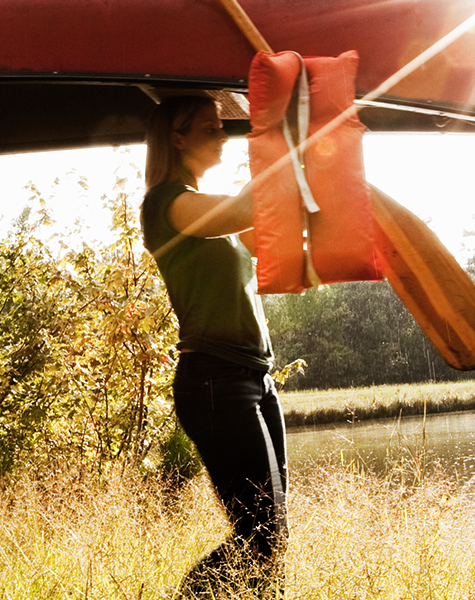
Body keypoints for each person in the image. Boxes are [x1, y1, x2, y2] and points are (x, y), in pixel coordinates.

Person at [140, 95, 287, 597]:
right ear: (177, 138)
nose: (223, 135)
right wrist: (286, 146)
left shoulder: (207, 209)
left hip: (255, 379)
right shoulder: (165, 204)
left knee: (272, 537)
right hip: (214, 381)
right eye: (211, 127)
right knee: (262, 537)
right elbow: (250, 206)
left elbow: (276, 241)